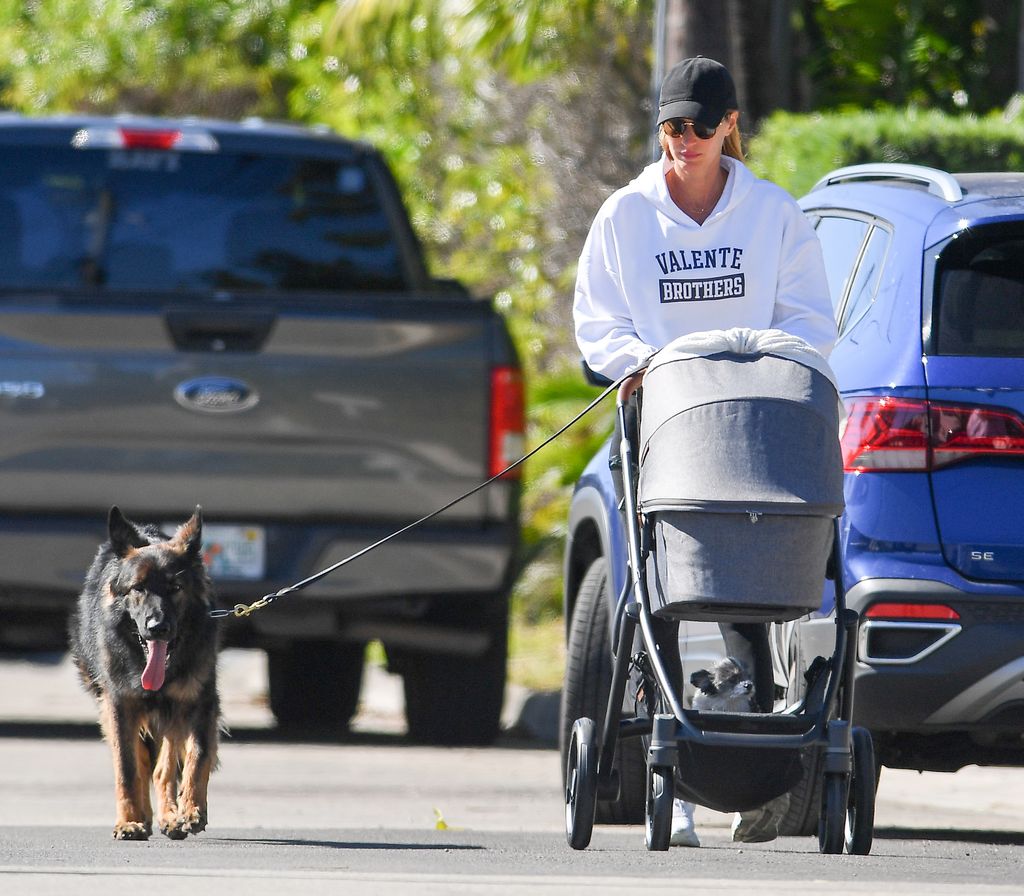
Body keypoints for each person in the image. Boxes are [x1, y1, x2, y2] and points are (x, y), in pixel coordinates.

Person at [572, 56, 837, 847]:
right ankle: (675, 782)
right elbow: (598, 326)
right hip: (661, 428)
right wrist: (644, 366)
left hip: (753, 429)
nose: (680, 141)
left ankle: (755, 766)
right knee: (660, 590)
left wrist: (745, 358)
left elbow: (810, 324)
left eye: (696, 127)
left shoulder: (774, 215)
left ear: (729, 127)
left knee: (750, 589)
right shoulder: (626, 216)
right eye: (669, 127)